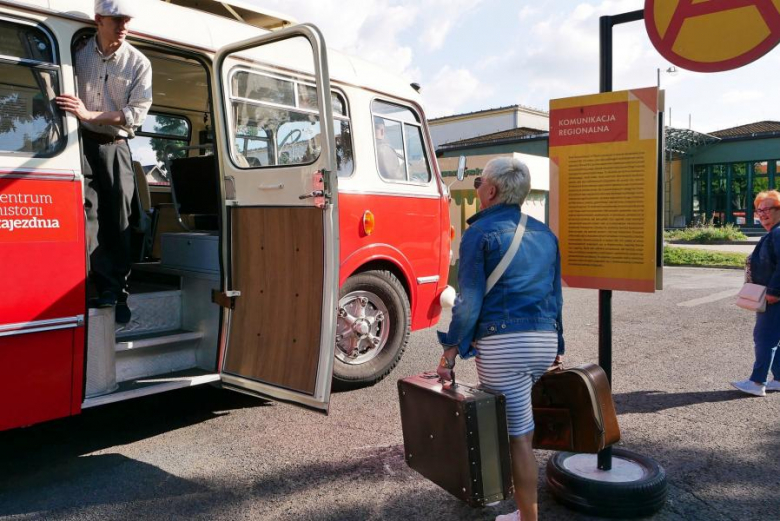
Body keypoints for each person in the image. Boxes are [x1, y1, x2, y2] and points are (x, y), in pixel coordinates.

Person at [436, 157, 564, 521]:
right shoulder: (546, 235)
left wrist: (450, 353)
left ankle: (527, 518)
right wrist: (559, 348)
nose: (476, 188)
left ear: (490, 191)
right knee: (520, 426)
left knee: (518, 436)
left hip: (503, 346)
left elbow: (469, 301)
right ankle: (521, 511)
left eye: (478, 182)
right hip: (543, 341)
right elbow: (556, 297)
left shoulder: (479, 233)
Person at [56, 0, 152, 324]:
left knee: (119, 222)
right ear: (98, 20)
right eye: (116, 20)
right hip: (80, 145)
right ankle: (96, 287)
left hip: (116, 145)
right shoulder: (76, 52)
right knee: (88, 220)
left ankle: (118, 294)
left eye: (126, 20)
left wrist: (89, 114)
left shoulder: (138, 63)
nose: (124, 25)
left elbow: (134, 114)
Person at [731, 190, 780, 397]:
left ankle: (757, 382)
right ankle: (778, 379)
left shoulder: (778, 233)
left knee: (764, 337)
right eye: (759, 210)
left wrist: (774, 291)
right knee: (774, 338)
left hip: (773, 296)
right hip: (773, 294)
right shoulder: (774, 232)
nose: (762, 214)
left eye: (767, 209)